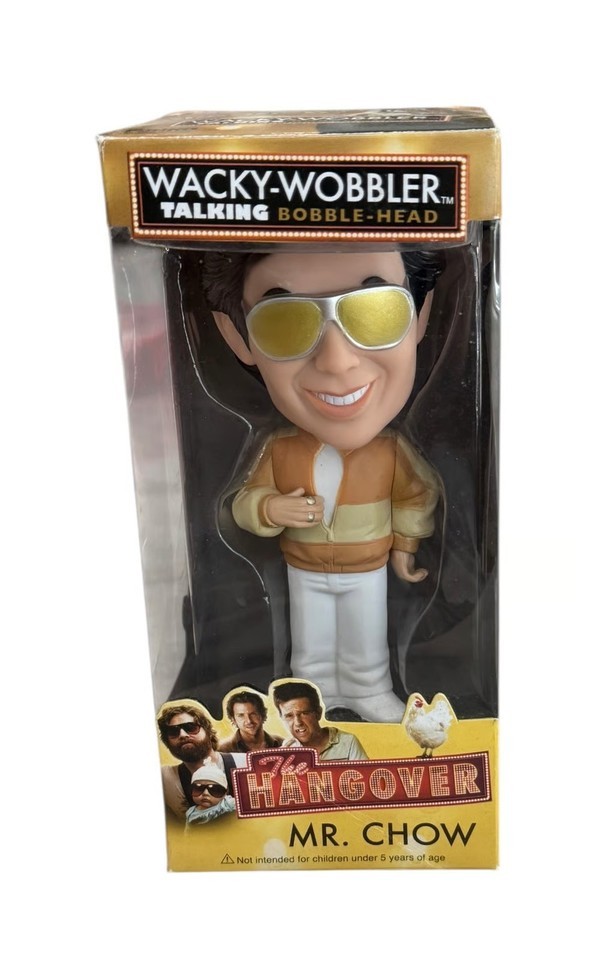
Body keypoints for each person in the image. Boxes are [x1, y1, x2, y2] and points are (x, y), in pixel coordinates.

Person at [205, 250, 440, 722]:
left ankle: (370, 688)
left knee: (365, 636)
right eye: (285, 321)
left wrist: (405, 546)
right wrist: (270, 509)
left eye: (375, 311)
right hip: (304, 566)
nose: (336, 361)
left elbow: (415, 495)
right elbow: (246, 500)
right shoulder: (279, 448)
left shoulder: (389, 451)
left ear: (419, 314)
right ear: (237, 334)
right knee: (309, 642)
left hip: (367, 566)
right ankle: (311, 697)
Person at [157, 700, 246, 821]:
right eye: (173, 732)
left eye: (190, 727)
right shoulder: (165, 778)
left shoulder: (246, 763)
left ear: (208, 732)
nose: (182, 734)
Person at [272, 680, 367, 761]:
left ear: (318, 713)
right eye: (289, 716)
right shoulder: (286, 750)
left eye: (304, 713)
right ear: (281, 718)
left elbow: (365, 776)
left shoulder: (348, 741)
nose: (298, 723)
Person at [218, 690, 284, 752]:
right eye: (241, 715)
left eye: (253, 714)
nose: (249, 721)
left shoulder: (281, 743)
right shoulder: (223, 749)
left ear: (262, 714)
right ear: (233, 720)